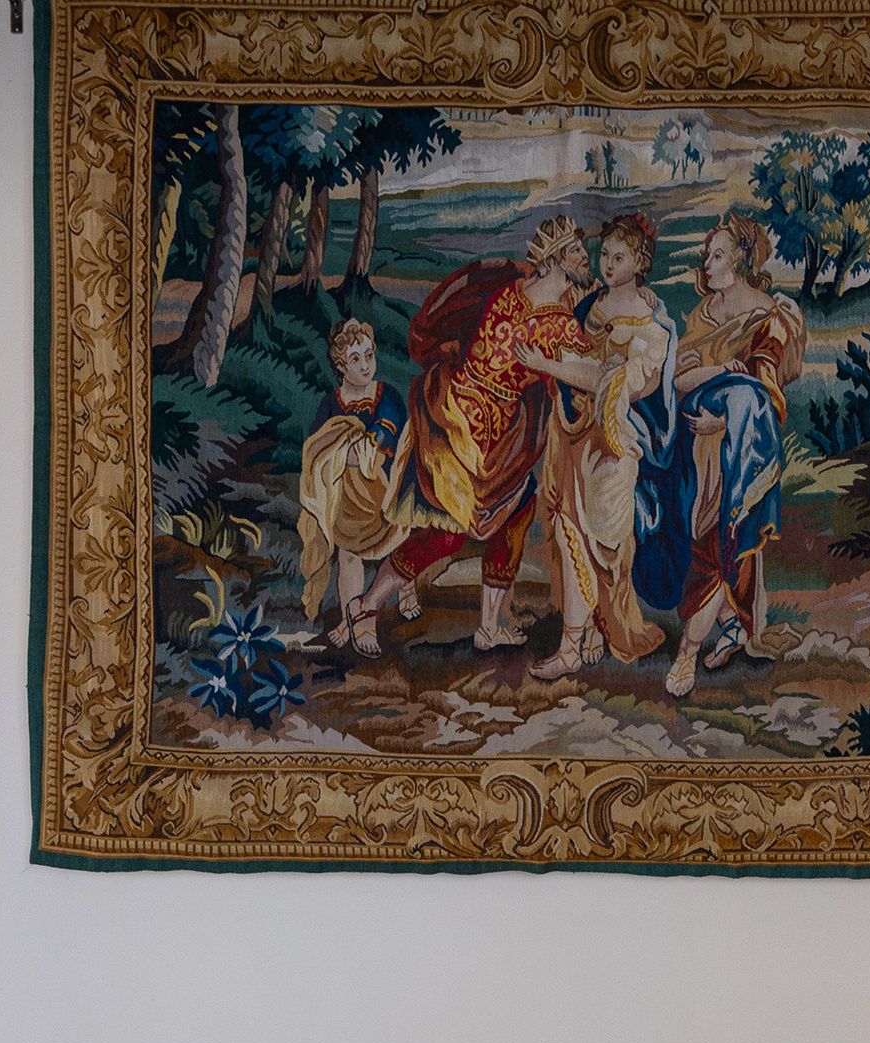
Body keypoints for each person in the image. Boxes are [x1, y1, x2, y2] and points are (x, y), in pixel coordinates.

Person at [344, 216, 596, 655]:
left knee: (517, 509)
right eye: (576, 250)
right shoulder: (552, 319)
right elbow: (592, 375)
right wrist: (553, 367)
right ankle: (365, 605)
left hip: (490, 430)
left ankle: (488, 626)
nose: (584, 257)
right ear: (556, 258)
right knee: (446, 533)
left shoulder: (524, 291)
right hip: (458, 427)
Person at [515, 213, 682, 680]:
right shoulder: (588, 303)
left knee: (603, 542)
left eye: (619, 257)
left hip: (613, 444)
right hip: (572, 432)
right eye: (605, 254)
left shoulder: (653, 327)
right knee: (568, 530)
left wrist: (549, 366)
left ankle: (598, 626)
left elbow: (615, 382)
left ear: (640, 263)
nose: (608, 264)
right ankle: (573, 642)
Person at [658, 212, 807, 698]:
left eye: (717, 255)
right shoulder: (703, 314)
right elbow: (679, 380)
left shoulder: (768, 318)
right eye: (708, 254)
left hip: (738, 451)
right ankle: (732, 625)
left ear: (740, 260)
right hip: (693, 450)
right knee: (696, 541)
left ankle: (686, 654)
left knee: (719, 544)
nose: (707, 263)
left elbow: (764, 398)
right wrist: (721, 371)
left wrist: (722, 422)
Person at [297, 319, 410, 656]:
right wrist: (343, 452)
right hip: (347, 495)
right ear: (340, 366)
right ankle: (357, 622)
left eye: (369, 356)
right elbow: (317, 448)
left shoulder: (386, 395)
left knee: (399, 545)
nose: (365, 365)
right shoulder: (331, 404)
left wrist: (362, 447)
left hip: (385, 487)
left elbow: (387, 430)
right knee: (348, 555)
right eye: (356, 359)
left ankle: (405, 591)